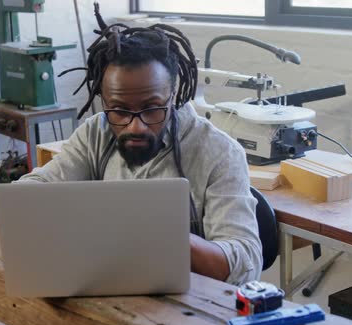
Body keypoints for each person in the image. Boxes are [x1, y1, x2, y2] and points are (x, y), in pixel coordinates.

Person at [17, 4, 262, 285]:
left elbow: (245, 260)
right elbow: (28, 196)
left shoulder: (220, 154)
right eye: (119, 111)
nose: (136, 126)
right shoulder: (95, 134)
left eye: (152, 109)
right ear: (104, 101)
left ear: (174, 95)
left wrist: (165, 237)